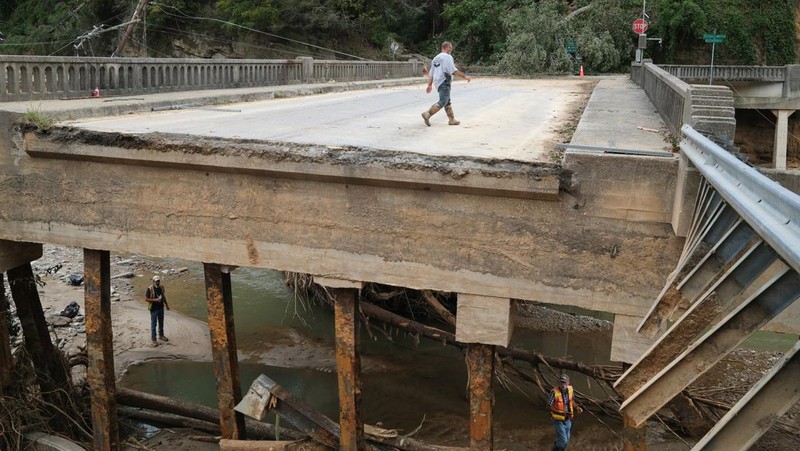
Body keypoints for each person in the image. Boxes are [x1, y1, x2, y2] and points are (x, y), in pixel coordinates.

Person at [422, 41, 471, 126]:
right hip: (444, 81)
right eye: (450, 48)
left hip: (437, 82)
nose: (451, 49)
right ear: (447, 47)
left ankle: (452, 119)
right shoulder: (448, 57)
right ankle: (427, 114)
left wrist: (429, 85)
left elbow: (431, 73)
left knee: (447, 101)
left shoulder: (436, 58)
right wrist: (465, 77)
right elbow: (454, 71)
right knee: (443, 101)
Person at [547, 374, 582, 450]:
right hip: (558, 420)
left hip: (568, 419)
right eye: (561, 382)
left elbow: (571, 401)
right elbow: (549, 406)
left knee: (567, 440)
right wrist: (560, 413)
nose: (563, 384)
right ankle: (555, 448)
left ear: (568, 382)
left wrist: (577, 407)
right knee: (563, 441)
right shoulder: (554, 393)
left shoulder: (570, 390)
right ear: (559, 383)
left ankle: (559, 446)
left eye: (564, 382)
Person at [145, 275, 170, 347]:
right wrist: (155, 300)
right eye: (156, 281)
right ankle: (154, 339)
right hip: (153, 309)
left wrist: (167, 305)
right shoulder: (150, 289)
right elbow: (146, 299)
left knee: (161, 322)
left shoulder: (161, 287)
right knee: (154, 324)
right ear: (153, 281)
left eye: (158, 281)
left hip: (161, 308)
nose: (157, 282)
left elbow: (163, 296)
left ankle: (161, 335)